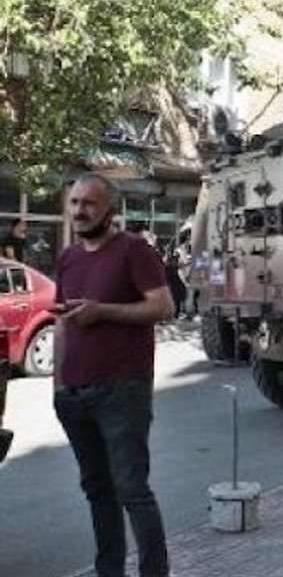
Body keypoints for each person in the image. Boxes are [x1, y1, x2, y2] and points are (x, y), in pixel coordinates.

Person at [53, 173, 176, 577]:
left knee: (132, 491)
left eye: (88, 203)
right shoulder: (68, 257)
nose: (79, 211)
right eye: (74, 203)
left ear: (110, 209)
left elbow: (163, 307)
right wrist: (58, 383)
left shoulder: (134, 251)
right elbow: (62, 321)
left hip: (122, 389)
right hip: (72, 393)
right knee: (97, 491)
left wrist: (103, 311)